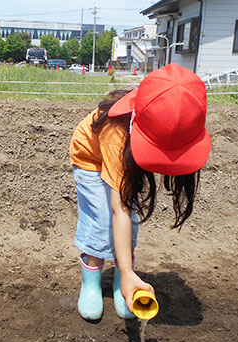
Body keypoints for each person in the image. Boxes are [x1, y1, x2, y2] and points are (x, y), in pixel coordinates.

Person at [69, 63, 211, 320]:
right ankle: (92, 282)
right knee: (100, 222)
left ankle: (124, 283)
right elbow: (118, 208)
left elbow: (126, 210)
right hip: (91, 159)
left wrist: (126, 273)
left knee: (130, 223)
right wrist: (125, 271)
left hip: (127, 154)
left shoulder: (171, 118)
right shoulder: (117, 131)